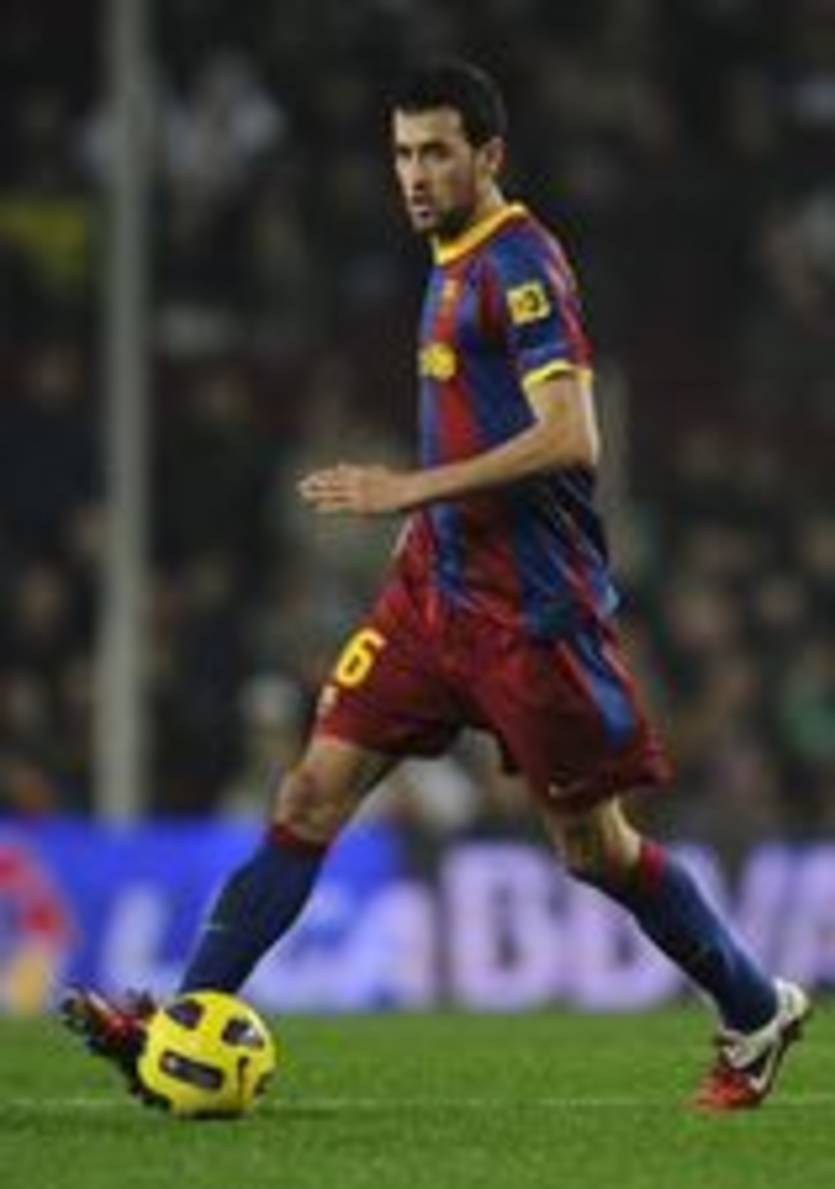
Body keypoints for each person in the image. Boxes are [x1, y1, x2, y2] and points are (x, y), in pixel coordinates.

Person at [62, 59, 810, 1112]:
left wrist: (405, 489)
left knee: (592, 848)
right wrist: (426, 527)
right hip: (433, 597)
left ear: (487, 155)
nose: (415, 174)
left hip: (530, 616)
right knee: (309, 792)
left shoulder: (520, 263)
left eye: (437, 153)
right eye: (403, 154)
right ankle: (181, 1021)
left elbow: (571, 436)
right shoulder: (447, 255)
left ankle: (753, 1005)